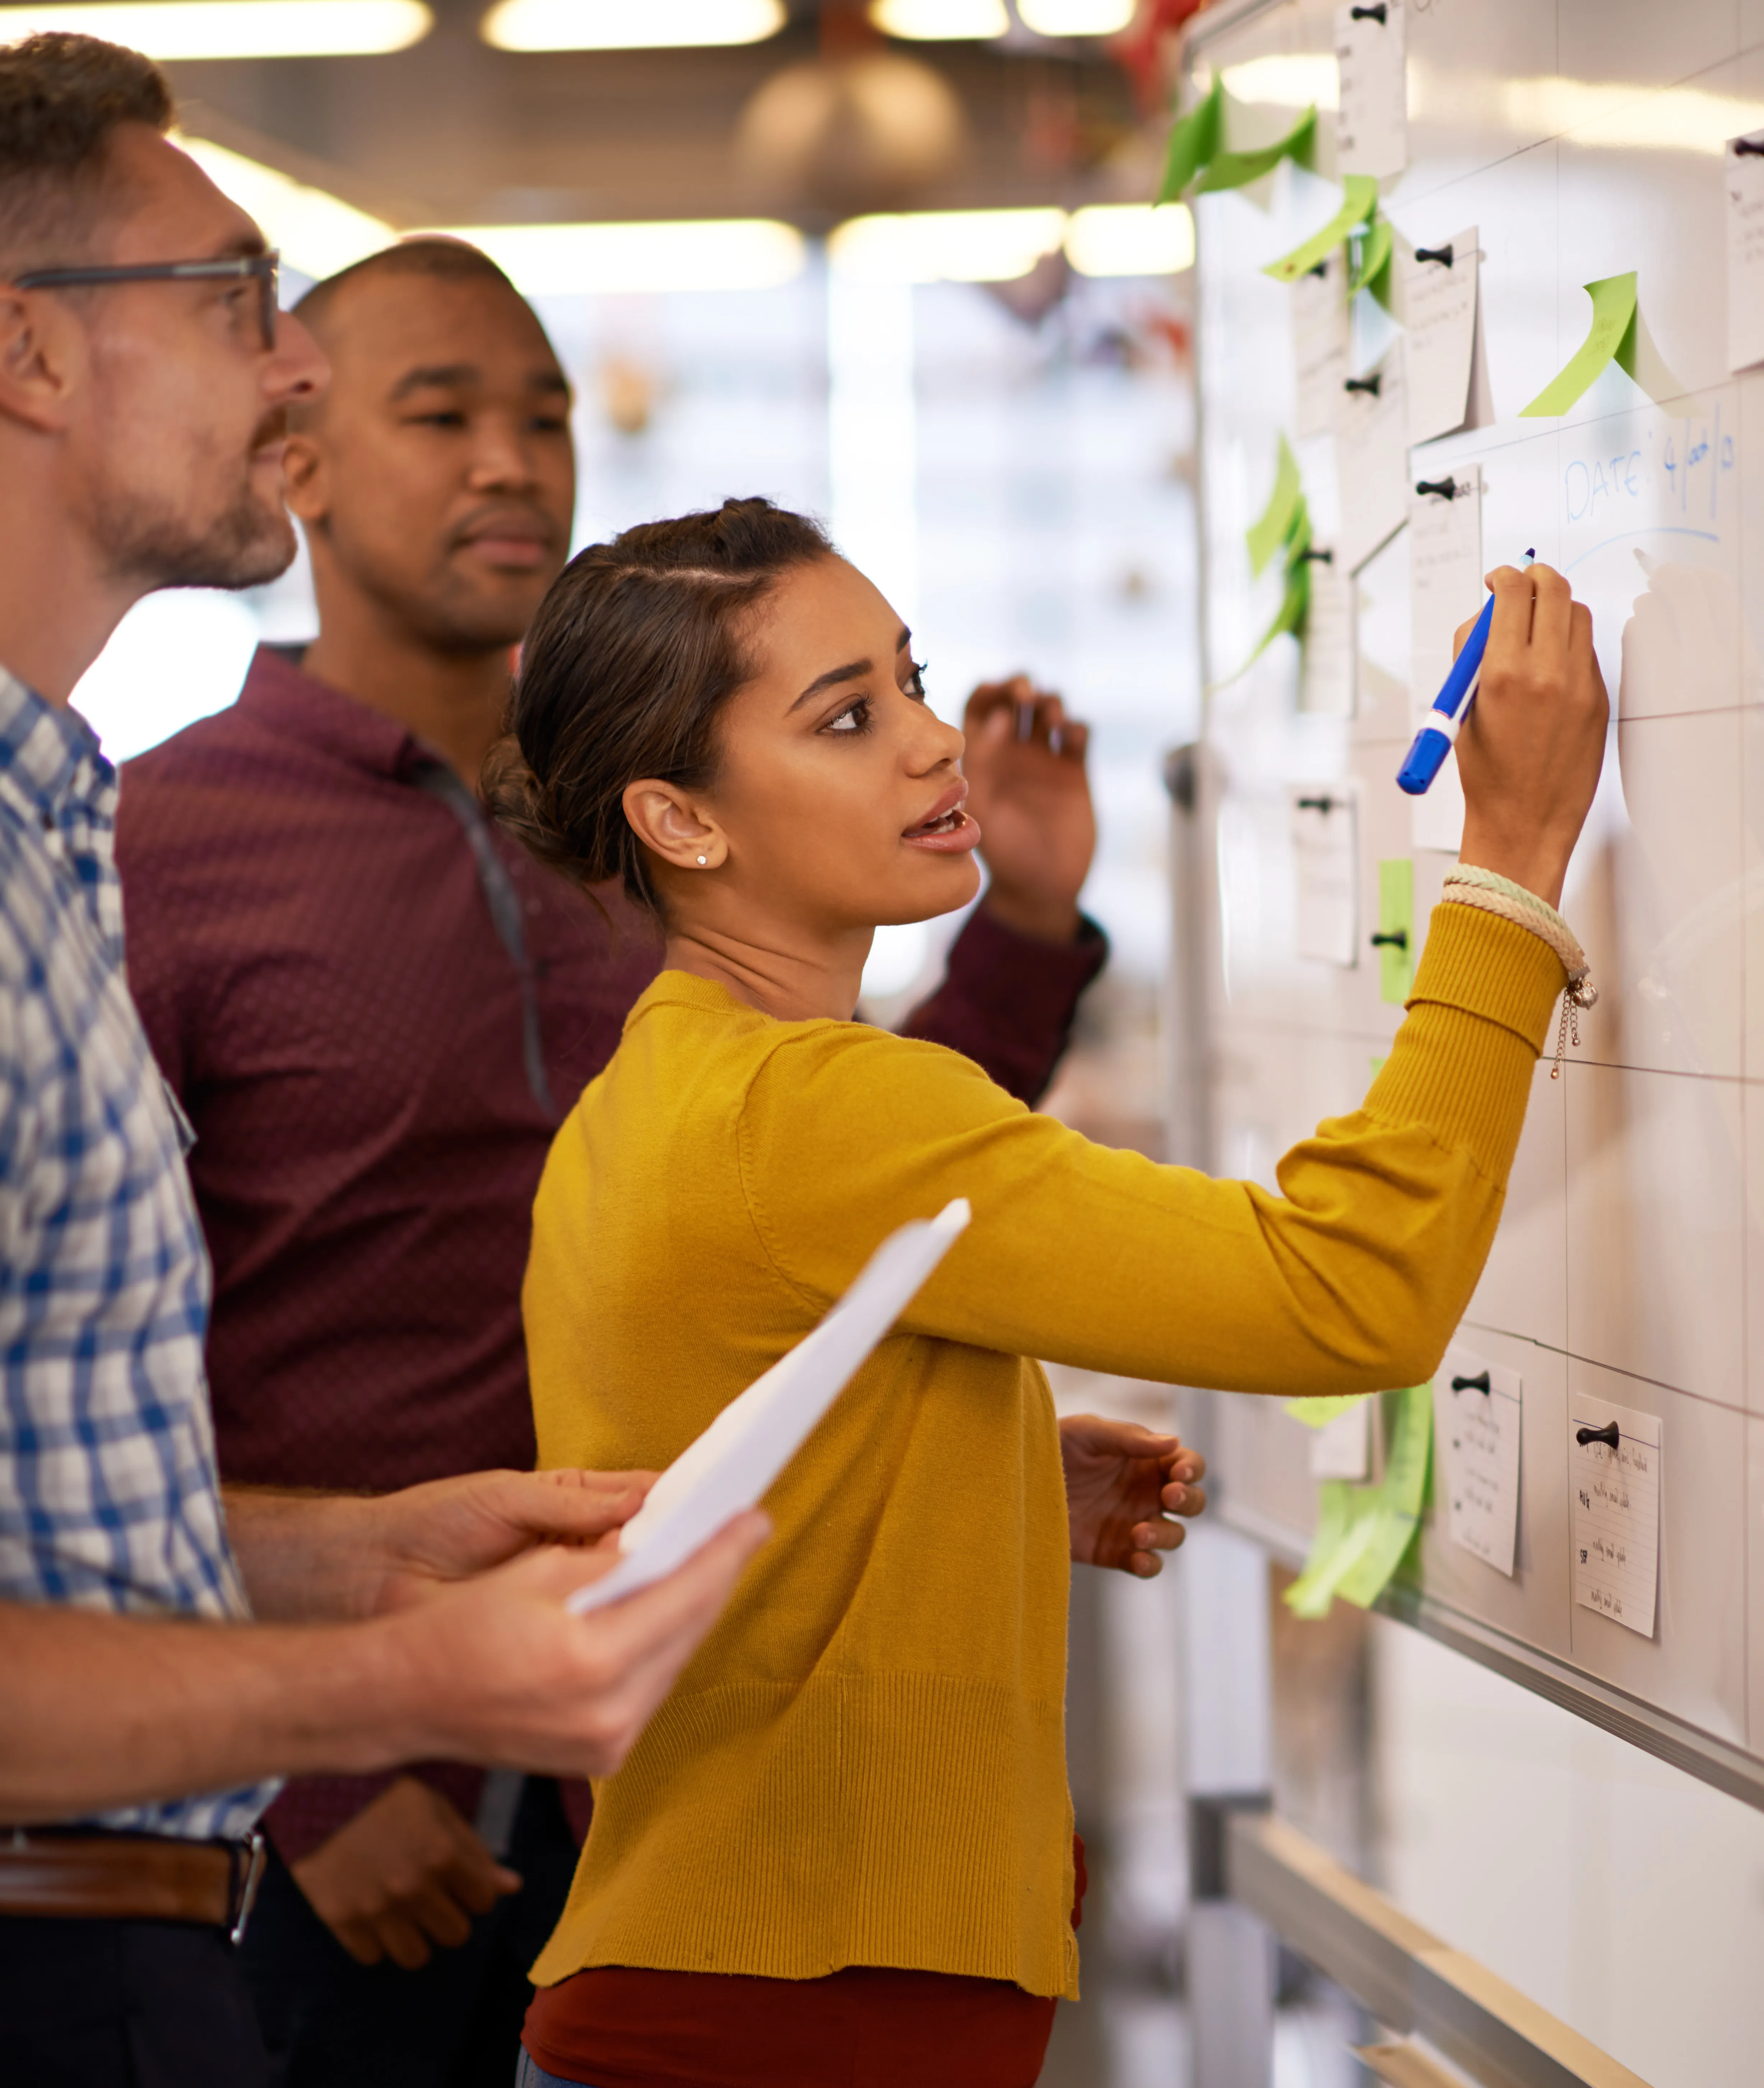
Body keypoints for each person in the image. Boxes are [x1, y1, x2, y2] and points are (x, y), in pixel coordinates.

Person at [113, 234, 1204, 2080]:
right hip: (368, 1800)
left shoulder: (657, 826)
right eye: (439, 412)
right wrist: (307, 1771)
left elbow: (873, 1202)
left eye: (542, 412)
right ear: (293, 458)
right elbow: (98, 1343)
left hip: (702, 1757)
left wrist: (1020, 925)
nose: (511, 461)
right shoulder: (166, 836)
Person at [487, 497, 1609, 2088]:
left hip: (723, 1997)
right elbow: (1346, 1294)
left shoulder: (658, 1090)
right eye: (849, 716)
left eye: (910, 679)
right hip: (788, 2029)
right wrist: (1507, 868)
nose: (936, 743)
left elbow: (707, 1481)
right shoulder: (822, 1107)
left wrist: (976, 1469)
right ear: (681, 822)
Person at [0, 36, 770, 2087]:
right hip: (164, 1908)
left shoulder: (47, 823)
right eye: (237, 304)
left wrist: (363, 1557)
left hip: (280, 1890)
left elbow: (72, 1481)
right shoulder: (144, 835)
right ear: (31, 355)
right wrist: (358, 1714)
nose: (284, 378)